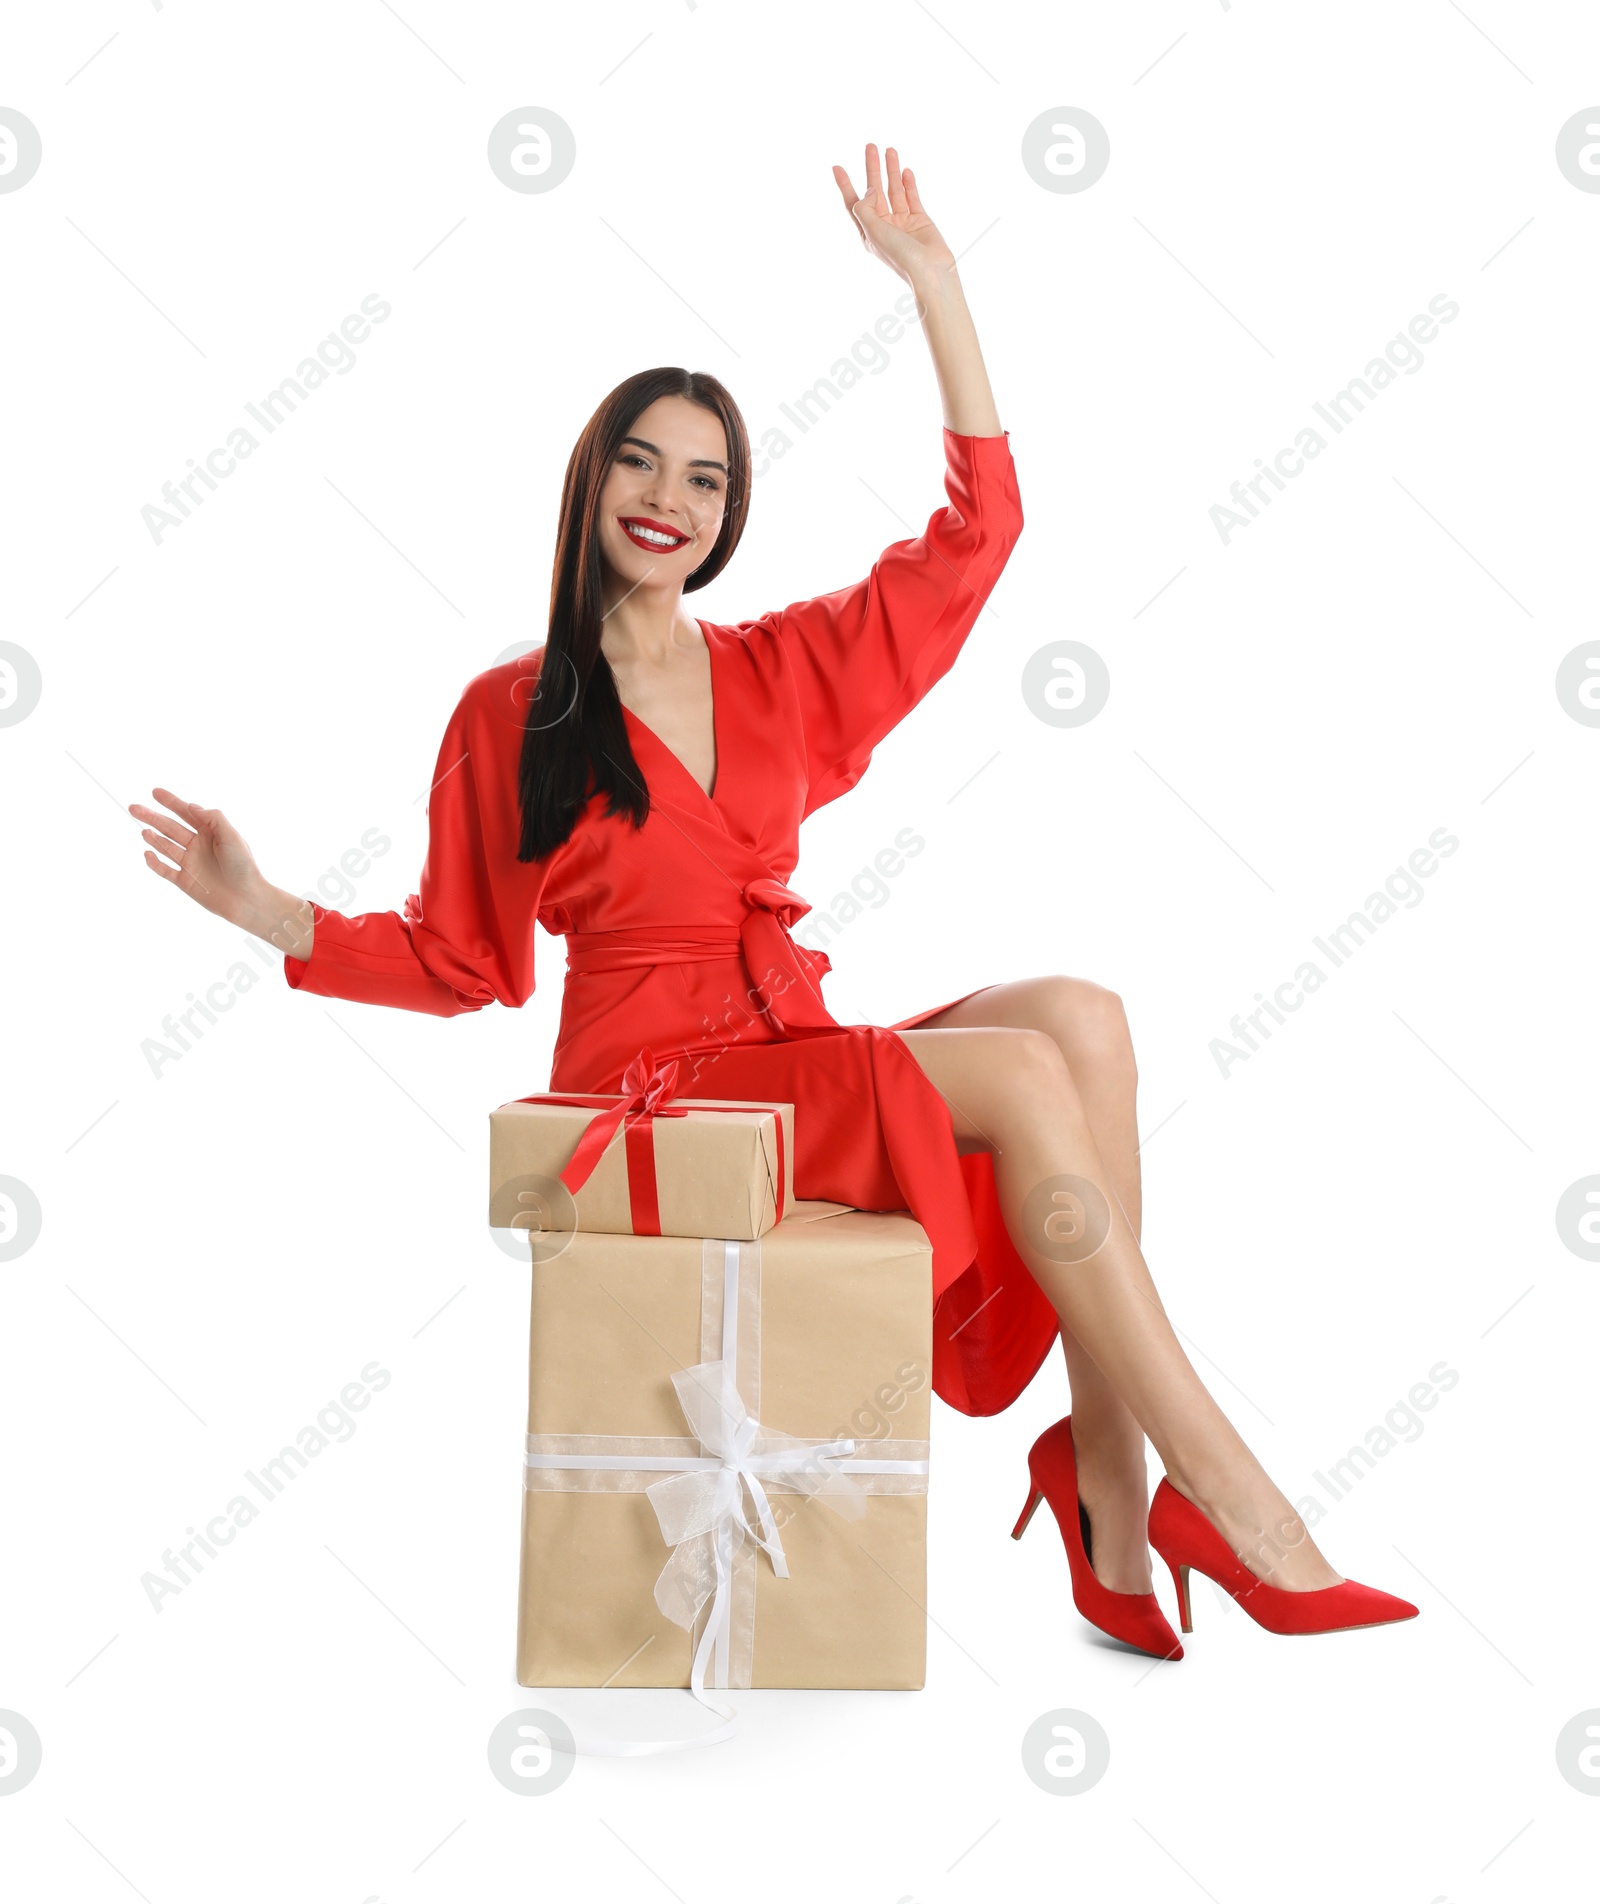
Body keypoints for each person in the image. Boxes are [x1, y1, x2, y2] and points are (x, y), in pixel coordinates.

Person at [129, 143, 1416, 1658]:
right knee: (1012, 1068)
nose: (669, 498)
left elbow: (975, 543)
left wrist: (935, 285)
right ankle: (1238, 1505)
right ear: (590, 480)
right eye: (641, 462)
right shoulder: (515, 710)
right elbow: (460, 958)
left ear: (732, 507)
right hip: (656, 1092)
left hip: (782, 1046)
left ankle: (1112, 1493)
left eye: (707, 475)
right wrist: (267, 907)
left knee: (1084, 1016)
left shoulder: (777, 670)